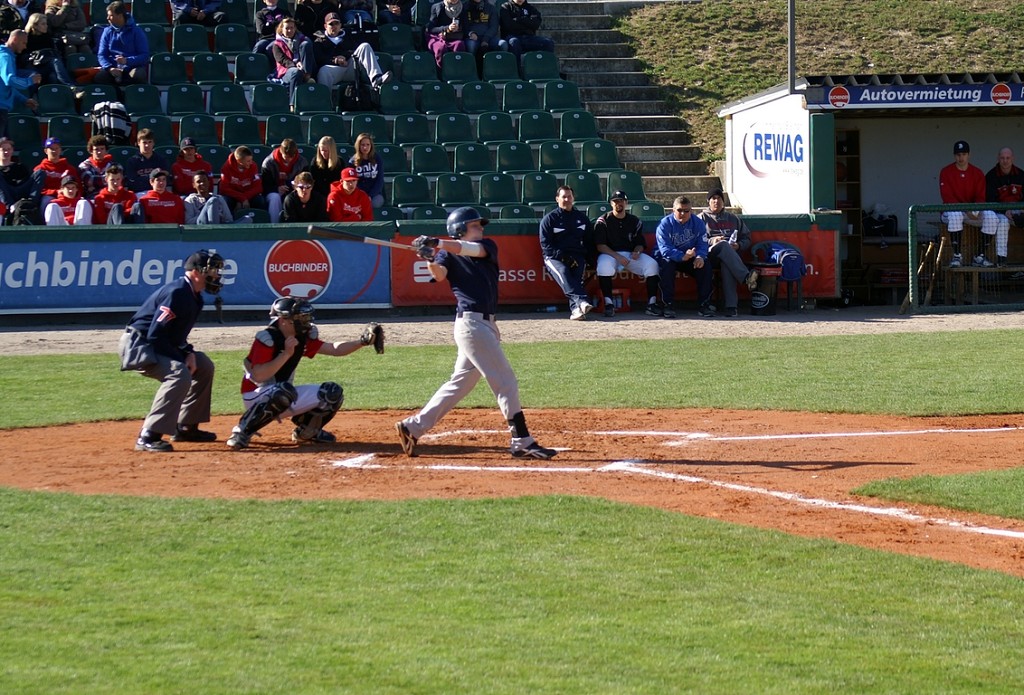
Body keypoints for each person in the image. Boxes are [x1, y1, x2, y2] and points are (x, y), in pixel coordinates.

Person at [396, 207, 557, 459]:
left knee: (460, 383)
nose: (481, 228)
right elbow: (439, 276)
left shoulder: (487, 246)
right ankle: (521, 440)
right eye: (474, 225)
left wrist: (437, 243)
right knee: (505, 381)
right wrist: (429, 257)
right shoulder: (446, 255)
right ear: (459, 229)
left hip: (485, 325)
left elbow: (470, 249)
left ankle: (413, 427)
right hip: (471, 325)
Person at [226, 298, 382, 450]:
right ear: (284, 320)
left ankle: (307, 432)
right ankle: (242, 432)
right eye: (300, 318)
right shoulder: (268, 338)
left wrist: (362, 342)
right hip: (255, 396)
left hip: (283, 393)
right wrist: (286, 354)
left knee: (331, 393)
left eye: (306, 317)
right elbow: (259, 376)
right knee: (284, 391)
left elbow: (334, 349)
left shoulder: (300, 337)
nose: (306, 322)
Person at [118, 249, 223, 452]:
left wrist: (188, 352)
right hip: (138, 345)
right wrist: (181, 358)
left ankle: (186, 426)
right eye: (212, 270)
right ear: (196, 272)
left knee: (203, 365)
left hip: (154, 343)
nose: (216, 276)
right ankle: (149, 435)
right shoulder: (178, 293)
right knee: (179, 374)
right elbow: (155, 335)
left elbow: (174, 336)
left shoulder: (194, 296)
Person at [593, 190, 661, 318]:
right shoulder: (603, 220)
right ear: (611, 203)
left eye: (621, 201)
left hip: (629, 254)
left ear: (626, 203)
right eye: (615, 201)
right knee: (604, 267)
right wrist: (617, 256)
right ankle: (608, 304)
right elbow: (600, 246)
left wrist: (637, 251)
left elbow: (640, 243)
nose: (618, 203)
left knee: (652, 265)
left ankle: (652, 304)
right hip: (610, 254)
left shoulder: (634, 220)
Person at [939, 140, 1005, 269]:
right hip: (951, 212)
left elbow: (980, 196)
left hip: (972, 211)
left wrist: (976, 210)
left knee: (992, 217)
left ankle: (979, 256)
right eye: (958, 154)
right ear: (954, 156)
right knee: (956, 215)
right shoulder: (946, 171)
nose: (961, 157)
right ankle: (957, 256)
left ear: (969, 155)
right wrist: (967, 210)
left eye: (964, 154)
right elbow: (947, 197)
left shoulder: (977, 172)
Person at [697, 187, 759, 318]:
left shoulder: (733, 218)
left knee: (727, 264)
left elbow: (747, 238)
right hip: (708, 255)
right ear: (708, 201)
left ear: (723, 201)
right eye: (713, 198)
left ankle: (731, 307)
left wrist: (739, 245)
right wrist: (712, 240)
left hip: (729, 256)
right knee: (724, 245)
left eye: (719, 198)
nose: (716, 201)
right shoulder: (701, 218)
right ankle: (746, 277)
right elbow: (695, 240)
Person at [539, 185, 594, 321]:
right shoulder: (549, 219)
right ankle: (581, 300)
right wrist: (562, 257)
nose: (567, 199)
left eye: (569, 196)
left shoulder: (582, 218)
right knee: (564, 272)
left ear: (573, 198)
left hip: (577, 256)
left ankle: (576, 311)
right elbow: (545, 245)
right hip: (554, 258)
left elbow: (589, 241)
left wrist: (591, 260)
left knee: (576, 280)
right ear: (557, 199)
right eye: (564, 197)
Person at [654, 195, 713, 319]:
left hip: (690, 257)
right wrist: (682, 256)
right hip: (670, 257)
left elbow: (703, 243)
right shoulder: (665, 224)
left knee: (705, 266)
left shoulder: (698, 222)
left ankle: (704, 304)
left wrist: (700, 256)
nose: (683, 213)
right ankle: (668, 304)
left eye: (686, 211)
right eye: (679, 210)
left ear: (691, 211)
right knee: (667, 266)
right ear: (673, 210)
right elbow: (665, 249)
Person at [312, 12, 391, 91]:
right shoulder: (319, 40)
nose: (334, 26)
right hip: (333, 70)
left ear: (340, 25)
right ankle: (324, 97)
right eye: (331, 24)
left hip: (351, 67)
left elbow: (355, 50)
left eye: (336, 23)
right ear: (325, 26)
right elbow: (319, 59)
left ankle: (376, 79)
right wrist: (335, 60)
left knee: (365, 46)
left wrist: (344, 56)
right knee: (323, 71)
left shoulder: (348, 35)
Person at [95, 1, 149, 89]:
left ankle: (133, 94)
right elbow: (102, 54)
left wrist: (127, 61)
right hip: (113, 67)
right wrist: (109, 68)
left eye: (111, 15)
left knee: (138, 75)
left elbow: (144, 55)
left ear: (120, 16)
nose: (107, 18)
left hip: (132, 67)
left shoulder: (137, 32)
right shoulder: (107, 31)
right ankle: (115, 94)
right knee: (100, 77)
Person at [985, 146, 1023, 266]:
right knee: (1003, 222)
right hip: (1000, 212)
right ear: (998, 159)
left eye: (1008, 158)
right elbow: (990, 201)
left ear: (1013, 158)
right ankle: (1001, 260)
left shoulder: (1021, 175)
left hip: (1019, 211)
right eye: (1002, 158)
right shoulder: (991, 176)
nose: (1005, 161)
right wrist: (1005, 211)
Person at [0, 30, 39, 138]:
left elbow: (6, 86)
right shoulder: (5, 57)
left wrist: (23, 99)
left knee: (5, 144)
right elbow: (10, 80)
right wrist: (30, 81)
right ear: (15, 39)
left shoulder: (6, 56)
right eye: (23, 43)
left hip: (2, 109)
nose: (25, 47)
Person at [261, 137, 308, 223]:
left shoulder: (302, 162)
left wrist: (295, 186)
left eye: (291, 157)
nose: (289, 160)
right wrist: (277, 189)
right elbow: (265, 185)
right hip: (273, 191)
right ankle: (275, 225)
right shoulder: (269, 163)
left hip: (294, 190)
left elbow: (306, 181)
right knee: (275, 197)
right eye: (286, 157)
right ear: (281, 151)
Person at [24, 13, 75, 88]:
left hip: (47, 66)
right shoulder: (26, 38)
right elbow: (24, 57)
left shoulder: (47, 37)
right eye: (43, 24)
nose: (46, 26)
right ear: (35, 25)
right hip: (34, 66)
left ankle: (70, 88)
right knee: (53, 63)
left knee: (53, 76)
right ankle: (69, 86)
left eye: (46, 24)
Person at [271, 17, 317, 101]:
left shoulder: (302, 40)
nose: (290, 30)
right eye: (287, 28)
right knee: (296, 72)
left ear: (295, 28)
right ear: (281, 29)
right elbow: (282, 60)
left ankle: (307, 75)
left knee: (306, 44)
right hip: (286, 71)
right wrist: (295, 64)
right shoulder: (276, 44)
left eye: (292, 28)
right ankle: (292, 103)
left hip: (303, 68)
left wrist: (301, 64)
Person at [219, 145, 265, 213]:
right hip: (233, 196)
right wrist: (241, 198)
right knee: (225, 201)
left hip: (248, 195)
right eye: (248, 161)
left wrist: (244, 198)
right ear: (239, 161)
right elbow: (224, 188)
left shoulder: (253, 166)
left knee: (260, 200)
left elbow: (258, 187)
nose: (251, 163)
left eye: (251, 160)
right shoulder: (226, 168)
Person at [33, 136, 78, 205]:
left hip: (68, 195)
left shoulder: (70, 169)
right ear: (46, 151)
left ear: (60, 150)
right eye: (51, 149)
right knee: (47, 202)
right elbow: (38, 189)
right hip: (48, 197)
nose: (54, 151)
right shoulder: (39, 169)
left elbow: (78, 187)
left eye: (57, 148)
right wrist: (56, 192)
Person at [425, 0, 468, 69]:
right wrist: (447, 28)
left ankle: (456, 70)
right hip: (437, 37)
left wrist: (458, 29)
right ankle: (441, 71)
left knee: (459, 45)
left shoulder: (463, 8)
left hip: (454, 36)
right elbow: (431, 28)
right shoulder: (438, 7)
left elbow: (466, 27)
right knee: (441, 48)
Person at [0, 136, 43, 206]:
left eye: (9, 149)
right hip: (7, 193)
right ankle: (10, 206)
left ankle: (30, 203)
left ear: (12, 150)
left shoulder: (20, 166)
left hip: (21, 190)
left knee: (40, 173)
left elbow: (27, 182)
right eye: (3, 150)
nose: (6, 152)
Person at [125, 128, 170, 193]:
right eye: (144, 142)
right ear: (138, 143)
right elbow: (132, 183)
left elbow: (166, 181)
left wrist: (142, 180)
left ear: (153, 143)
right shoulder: (132, 161)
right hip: (139, 193)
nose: (147, 145)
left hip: (158, 192)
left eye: (150, 142)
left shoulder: (161, 160)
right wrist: (153, 178)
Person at [348, 131, 383, 207]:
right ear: (358, 146)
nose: (365, 147)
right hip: (358, 194)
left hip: (375, 194)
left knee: (374, 203)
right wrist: (362, 195)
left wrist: (370, 195)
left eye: (368, 145)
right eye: (362, 145)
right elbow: (352, 182)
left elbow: (379, 180)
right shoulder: (352, 162)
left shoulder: (377, 158)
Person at [463, 0, 498, 65]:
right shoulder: (465, 7)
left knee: (502, 44)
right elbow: (463, 26)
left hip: (488, 37)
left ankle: (500, 68)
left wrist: (485, 39)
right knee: (471, 45)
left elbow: (494, 27)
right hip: (471, 37)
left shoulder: (491, 7)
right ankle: (470, 68)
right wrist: (470, 33)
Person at [77, 135, 113, 199]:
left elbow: (119, 179)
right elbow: (89, 180)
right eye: (96, 149)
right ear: (91, 151)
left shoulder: (113, 165)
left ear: (106, 150)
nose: (99, 152)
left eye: (102, 149)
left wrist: (95, 184)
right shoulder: (84, 165)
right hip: (92, 197)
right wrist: (109, 180)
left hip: (111, 196)